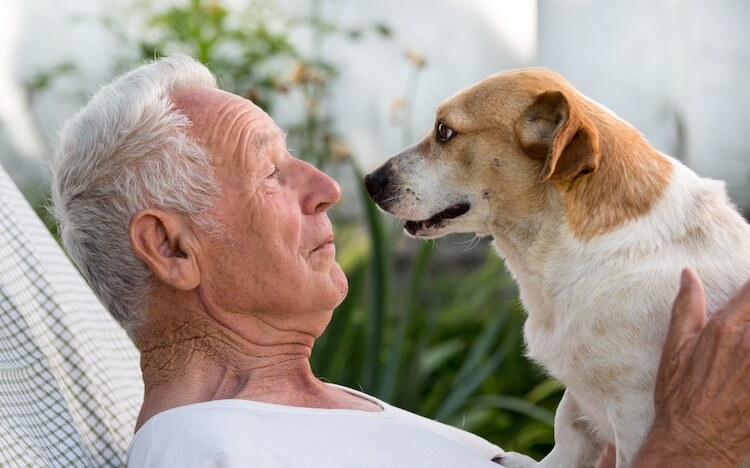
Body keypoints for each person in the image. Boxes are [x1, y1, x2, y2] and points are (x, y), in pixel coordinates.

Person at [49, 55, 750, 467]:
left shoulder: (314, 421)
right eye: (271, 174)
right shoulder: (207, 447)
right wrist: (689, 448)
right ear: (171, 247)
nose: (326, 188)